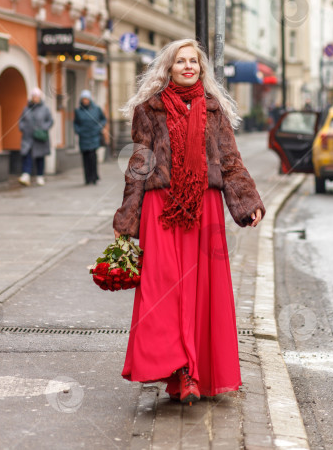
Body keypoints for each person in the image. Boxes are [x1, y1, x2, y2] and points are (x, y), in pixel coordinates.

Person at [113, 39, 265, 404]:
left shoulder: (214, 111)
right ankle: (177, 368)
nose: (187, 67)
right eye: (180, 61)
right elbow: (140, 163)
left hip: (205, 207)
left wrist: (247, 202)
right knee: (162, 289)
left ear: (201, 68)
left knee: (204, 289)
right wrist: (126, 220)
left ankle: (197, 373)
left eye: (193, 62)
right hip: (160, 207)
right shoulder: (149, 110)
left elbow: (229, 161)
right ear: (168, 68)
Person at [18, 87, 53, 186]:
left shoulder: (45, 109)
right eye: (34, 96)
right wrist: (23, 128)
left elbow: (50, 121)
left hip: (40, 137)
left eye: (37, 96)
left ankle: (40, 176)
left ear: (40, 97)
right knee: (27, 155)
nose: (35, 98)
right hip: (28, 137)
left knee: (40, 157)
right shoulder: (26, 109)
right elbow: (21, 121)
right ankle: (26, 175)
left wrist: (43, 128)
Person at [73, 89, 107, 185]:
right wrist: (78, 130)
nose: (85, 101)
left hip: (94, 136)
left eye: (87, 99)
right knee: (85, 158)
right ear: (81, 100)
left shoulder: (96, 109)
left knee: (93, 157)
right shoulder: (78, 111)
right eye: (83, 99)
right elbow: (75, 123)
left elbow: (103, 119)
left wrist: (98, 128)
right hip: (83, 137)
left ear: (89, 99)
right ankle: (87, 178)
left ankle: (94, 177)